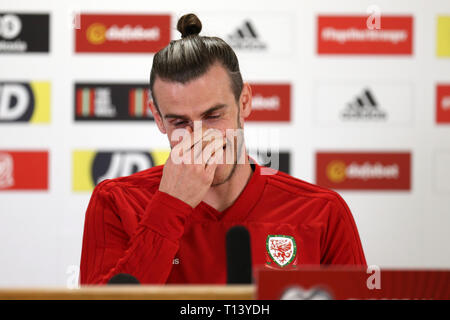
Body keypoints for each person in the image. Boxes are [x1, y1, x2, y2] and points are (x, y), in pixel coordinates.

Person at [79, 13, 366, 285]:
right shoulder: (117, 203)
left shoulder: (322, 212)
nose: (200, 137)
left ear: (244, 103)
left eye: (213, 116)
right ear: (158, 118)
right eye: (180, 122)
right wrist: (169, 206)